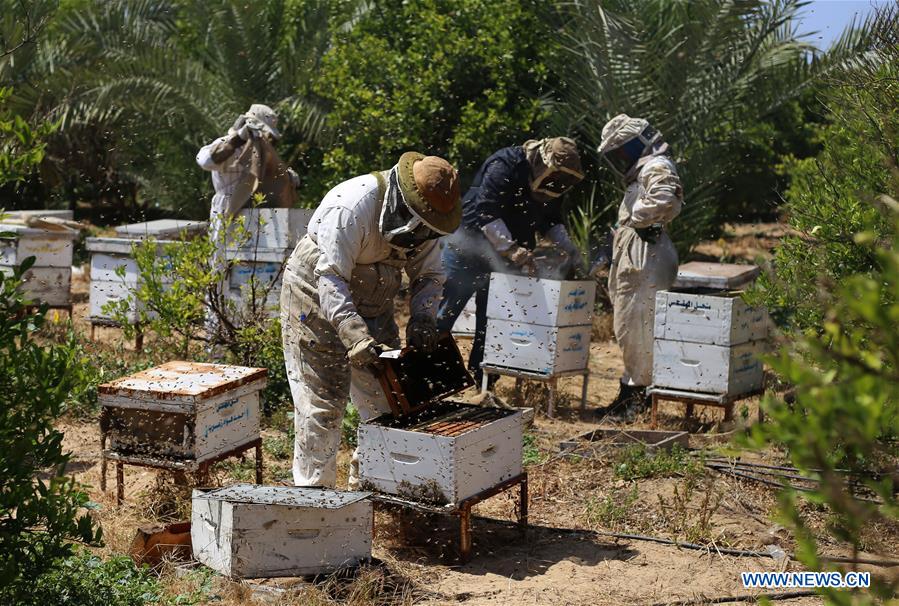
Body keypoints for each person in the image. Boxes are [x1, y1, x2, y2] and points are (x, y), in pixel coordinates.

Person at [280, 152, 461, 488]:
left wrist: (423, 318)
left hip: (375, 300)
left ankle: (371, 487)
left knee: (390, 397)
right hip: (315, 296)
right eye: (419, 227)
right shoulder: (352, 205)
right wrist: (353, 334)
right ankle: (314, 499)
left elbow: (430, 275)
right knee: (322, 404)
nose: (422, 236)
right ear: (403, 206)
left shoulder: (425, 224)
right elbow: (331, 277)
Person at [435, 137, 585, 384]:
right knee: (445, 314)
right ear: (541, 161)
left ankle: (483, 383)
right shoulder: (505, 164)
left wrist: (569, 248)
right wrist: (511, 249)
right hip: (468, 250)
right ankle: (428, 375)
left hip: (507, 258)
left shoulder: (555, 182)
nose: (556, 184)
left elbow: (551, 218)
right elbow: (486, 210)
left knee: (494, 321)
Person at [597, 114, 683, 415]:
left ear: (637, 144)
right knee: (630, 327)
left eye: (622, 151)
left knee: (640, 327)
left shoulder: (657, 166)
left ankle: (637, 401)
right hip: (640, 255)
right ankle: (630, 393)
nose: (620, 158)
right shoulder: (644, 170)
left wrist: (638, 219)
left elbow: (668, 199)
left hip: (646, 256)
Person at [196, 104, 299, 346]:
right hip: (226, 210)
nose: (265, 138)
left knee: (247, 278)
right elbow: (206, 160)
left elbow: (270, 178)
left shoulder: (263, 151)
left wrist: (288, 177)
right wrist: (236, 139)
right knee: (220, 275)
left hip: (254, 217)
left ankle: (247, 336)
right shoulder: (226, 143)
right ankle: (216, 341)